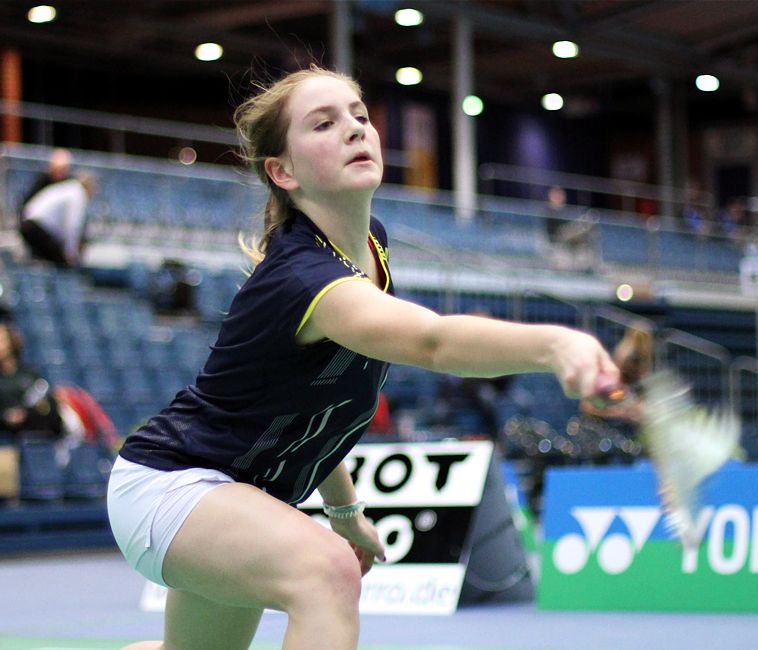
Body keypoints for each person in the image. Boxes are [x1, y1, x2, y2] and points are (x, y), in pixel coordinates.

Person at [107, 66, 620, 650]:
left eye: (359, 115)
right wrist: (557, 345)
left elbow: (315, 410)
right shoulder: (305, 280)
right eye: (324, 124)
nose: (354, 130)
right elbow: (435, 342)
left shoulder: (368, 244)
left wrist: (345, 513)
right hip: (175, 486)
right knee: (327, 573)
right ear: (283, 171)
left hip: (239, 495)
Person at [19, 171, 96, 267]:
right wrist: (70, 253)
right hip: (37, 226)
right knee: (63, 264)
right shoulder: (78, 194)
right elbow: (73, 225)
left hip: (28, 223)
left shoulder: (68, 188)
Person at [0, 321, 63, 438]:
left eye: (2, 340)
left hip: (33, 435)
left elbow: (49, 409)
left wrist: (28, 413)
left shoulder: (29, 375)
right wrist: (5, 417)